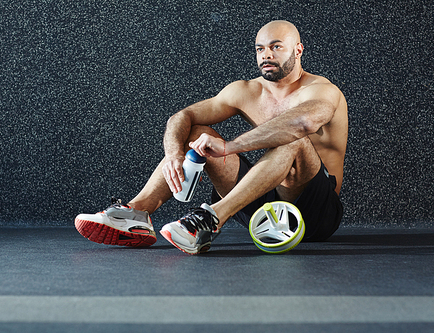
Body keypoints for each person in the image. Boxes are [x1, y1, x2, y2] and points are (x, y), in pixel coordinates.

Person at [75, 20, 348, 254]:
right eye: (260, 48)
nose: (267, 54)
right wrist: (174, 155)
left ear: (298, 50)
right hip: (259, 204)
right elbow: (181, 117)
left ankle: (211, 219)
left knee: (293, 139)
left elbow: (301, 123)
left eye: (276, 46)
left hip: (315, 212)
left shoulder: (322, 90)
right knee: (197, 134)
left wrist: (230, 146)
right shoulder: (245, 91)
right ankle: (137, 213)